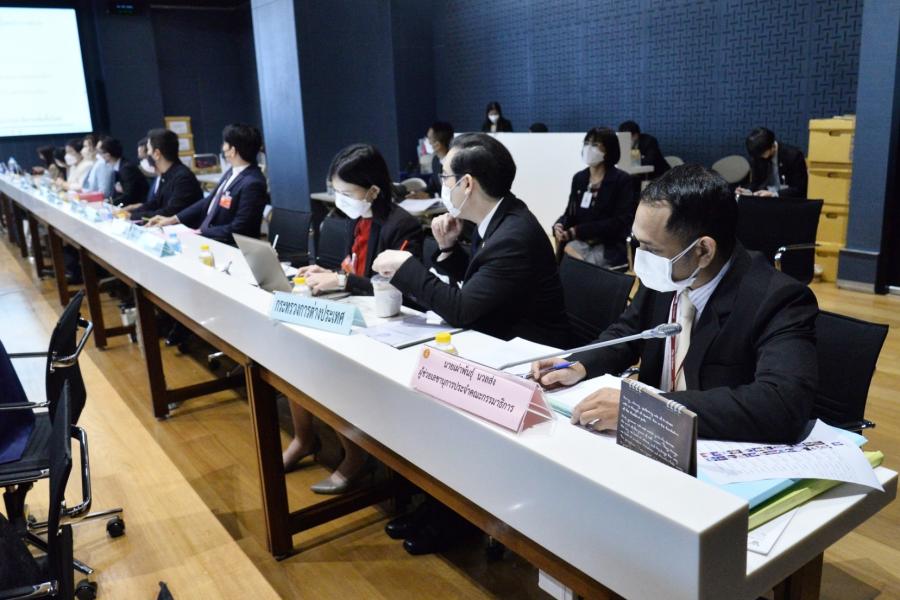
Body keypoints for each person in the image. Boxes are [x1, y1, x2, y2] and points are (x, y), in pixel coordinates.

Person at [532, 164, 818, 444]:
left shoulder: (778, 299)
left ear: (703, 250)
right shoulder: (668, 272)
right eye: (639, 243)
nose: (641, 258)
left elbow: (782, 404)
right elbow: (628, 332)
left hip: (711, 449)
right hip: (649, 445)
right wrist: (578, 363)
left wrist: (647, 409)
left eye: (651, 248)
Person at [282, 144, 424, 494]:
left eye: (347, 193)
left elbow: (399, 288)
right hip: (356, 313)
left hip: (390, 323)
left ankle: (356, 455)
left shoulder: (402, 226)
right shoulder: (356, 219)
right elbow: (353, 268)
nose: (340, 200)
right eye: (336, 191)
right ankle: (304, 437)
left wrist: (343, 281)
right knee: (295, 348)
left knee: (328, 362)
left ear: (373, 191)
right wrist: (328, 273)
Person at [374, 133, 571, 348]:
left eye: (445, 177)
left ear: (466, 183)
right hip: (499, 334)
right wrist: (448, 248)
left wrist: (405, 266)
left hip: (531, 352)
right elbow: (485, 280)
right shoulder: (497, 215)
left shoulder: (513, 238)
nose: (443, 184)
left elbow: (461, 310)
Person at [147, 124, 267, 244]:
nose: (223, 147)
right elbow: (210, 200)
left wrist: (199, 232)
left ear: (233, 150)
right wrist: (173, 219)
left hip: (227, 244)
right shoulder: (232, 171)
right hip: (210, 236)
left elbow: (240, 228)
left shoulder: (253, 183)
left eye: (225, 143)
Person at [554, 127, 637, 267]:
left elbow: (621, 221)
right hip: (582, 242)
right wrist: (560, 225)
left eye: (595, 144)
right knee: (568, 256)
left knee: (576, 264)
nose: (588, 148)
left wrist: (578, 231)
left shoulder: (622, 180)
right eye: (586, 143)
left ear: (608, 149)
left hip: (610, 244)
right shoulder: (579, 178)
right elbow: (570, 213)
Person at [126, 129, 202, 220]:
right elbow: (156, 203)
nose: (148, 153)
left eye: (149, 150)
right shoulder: (166, 174)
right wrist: (131, 212)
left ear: (157, 154)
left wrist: (133, 216)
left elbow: (170, 212)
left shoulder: (183, 178)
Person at [739, 127, 808, 198]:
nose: (760, 158)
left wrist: (774, 194)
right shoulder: (758, 156)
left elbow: (800, 189)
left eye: (762, 154)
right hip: (764, 198)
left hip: (787, 199)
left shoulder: (794, 156)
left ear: (772, 146)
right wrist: (749, 191)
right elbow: (756, 182)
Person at [96, 136, 150, 208]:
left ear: (108, 155)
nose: (99, 156)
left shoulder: (126, 169)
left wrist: (108, 203)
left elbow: (129, 195)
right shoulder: (119, 166)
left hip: (137, 206)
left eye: (100, 153)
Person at [408, 122, 454, 199]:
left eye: (429, 138)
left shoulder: (455, 163)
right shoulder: (435, 161)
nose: (428, 142)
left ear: (437, 145)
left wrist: (432, 196)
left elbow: (455, 193)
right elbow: (434, 186)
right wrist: (420, 193)